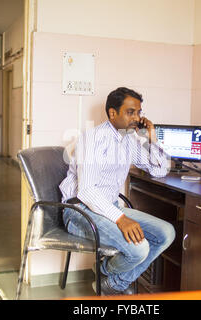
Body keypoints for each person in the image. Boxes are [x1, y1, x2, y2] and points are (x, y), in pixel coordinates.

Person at [59, 87, 175, 295]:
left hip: (107, 207)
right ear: (113, 113)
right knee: (139, 249)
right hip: (79, 211)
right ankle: (111, 278)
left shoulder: (128, 139)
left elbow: (160, 170)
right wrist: (121, 218)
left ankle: (111, 279)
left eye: (139, 112)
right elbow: (86, 192)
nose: (136, 118)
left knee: (166, 233)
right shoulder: (93, 138)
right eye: (130, 112)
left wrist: (151, 137)